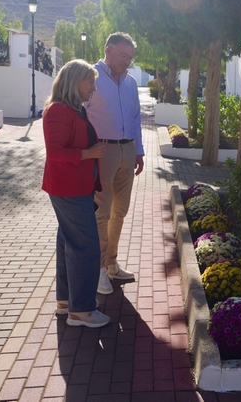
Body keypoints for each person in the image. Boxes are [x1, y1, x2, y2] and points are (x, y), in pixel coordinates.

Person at [42, 59, 110, 328]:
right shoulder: (59, 110)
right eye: (90, 82)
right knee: (86, 246)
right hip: (69, 189)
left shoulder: (73, 109)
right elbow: (55, 152)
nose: (94, 88)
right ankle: (81, 310)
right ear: (75, 82)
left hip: (75, 187)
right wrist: (88, 153)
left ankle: (66, 301)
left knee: (69, 243)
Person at [85, 32, 144, 295]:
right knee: (102, 212)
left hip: (127, 150)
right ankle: (98, 269)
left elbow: (135, 118)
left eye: (130, 57)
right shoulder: (92, 77)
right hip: (103, 151)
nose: (127, 61)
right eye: (123, 55)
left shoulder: (131, 82)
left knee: (120, 211)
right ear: (108, 50)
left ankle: (111, 264)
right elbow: (80, 113)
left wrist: (139, 151)